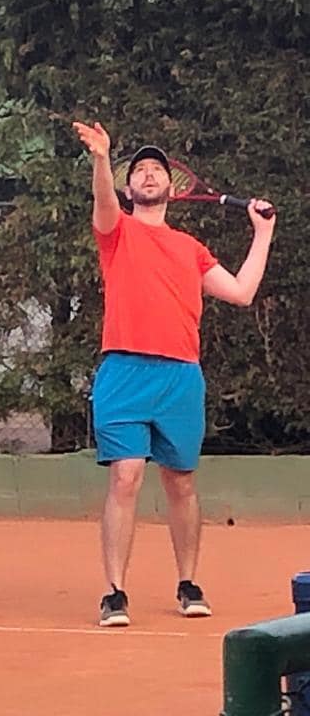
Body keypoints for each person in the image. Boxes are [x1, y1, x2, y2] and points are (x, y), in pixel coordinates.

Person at [73, 121, 276, 628]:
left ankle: (188, 583)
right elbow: (102, 201)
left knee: (180, 482)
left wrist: (263, 233)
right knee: (126, 476)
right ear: (128, 189)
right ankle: (115, 593)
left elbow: (241, 292)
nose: (148, 174)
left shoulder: (190, 248)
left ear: (172, 186)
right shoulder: (116, 232)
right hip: (124, 371)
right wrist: (102, 158)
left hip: (181, 376)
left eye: (156, 170)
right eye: (139, 170)